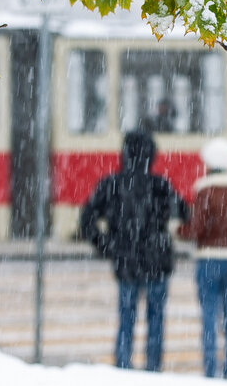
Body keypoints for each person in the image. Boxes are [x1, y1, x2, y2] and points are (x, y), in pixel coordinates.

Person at [79, 130, 188, 371]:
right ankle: (152, 371)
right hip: (157, 263)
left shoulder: (111, 184)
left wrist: (108, 246)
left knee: (126, 321)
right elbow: (184, 212)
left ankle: (123, 369)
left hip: (126, 262)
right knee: (156, 322)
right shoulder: (160, 185)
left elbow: (86, 220)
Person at [178, 137, 227, 380]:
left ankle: (210, 370)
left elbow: (196, 229)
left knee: (209, 316)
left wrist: (177, 230)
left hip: (208, 261)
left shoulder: (205, 191)